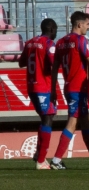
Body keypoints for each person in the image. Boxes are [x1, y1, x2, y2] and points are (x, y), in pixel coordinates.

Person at [49, 11, 89, 169]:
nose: (88, 27)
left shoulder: (61, 42)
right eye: (87, 24)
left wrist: (53, 89)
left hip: (70, 87)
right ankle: (56, 160)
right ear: (79, 24)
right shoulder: (81, 40)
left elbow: (55, 68)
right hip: (77, 88)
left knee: (85, 122)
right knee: (73, 122)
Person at [18, 17, 57, 169]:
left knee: (45, 118)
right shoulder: (49, 44)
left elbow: (21, 63)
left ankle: (38, 154)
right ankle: (41, 160)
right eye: (55, 31)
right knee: (48, 118)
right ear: (52, 30)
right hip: (43, 87)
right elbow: (53, 64)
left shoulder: (30, 43)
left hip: (31, 86)